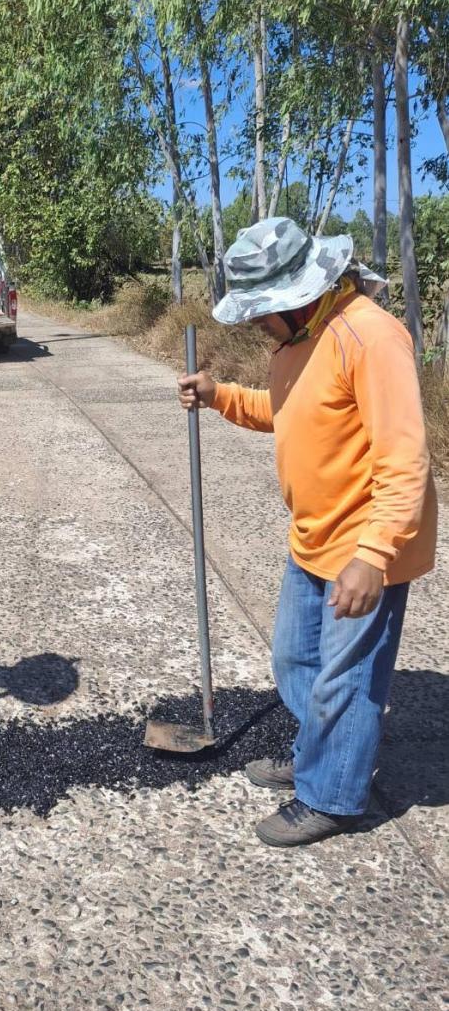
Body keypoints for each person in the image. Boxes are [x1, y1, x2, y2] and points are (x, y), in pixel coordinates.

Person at [178, 217, 437, 848]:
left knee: (347, 678)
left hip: (364, 545)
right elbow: (286, 412)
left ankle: (331, 796)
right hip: (314, 536)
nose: (254, 324)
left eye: (259, 312)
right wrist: (219, 395)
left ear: (299, 295)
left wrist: (373, 556)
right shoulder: (300, 339)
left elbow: (405, 459)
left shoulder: (369, 336)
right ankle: (318, 753)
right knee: (295, 660)